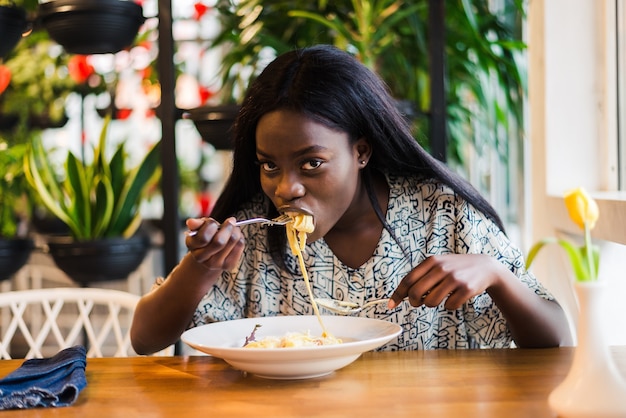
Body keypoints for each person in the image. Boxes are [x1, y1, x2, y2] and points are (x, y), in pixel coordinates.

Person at [130, 45, 572, 354]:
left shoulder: (443, 216)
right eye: (269, 166)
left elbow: (556, 340)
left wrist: (496, 275)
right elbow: (144, 339)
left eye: (311, 164)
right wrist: (199, 268)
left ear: (361, 151)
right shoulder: (251, 238)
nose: (286, 188)